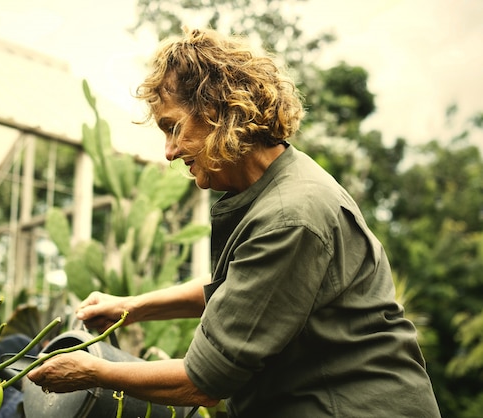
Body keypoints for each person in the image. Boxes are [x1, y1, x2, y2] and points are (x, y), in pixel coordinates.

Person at [28, 28, 442, 417]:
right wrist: (131, 308)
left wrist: (91, 372)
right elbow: (241, 292)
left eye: (173, 128)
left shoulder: (290, 215)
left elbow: (203, 382)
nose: (169, 152)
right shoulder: (274, 186)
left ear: (218, 110)